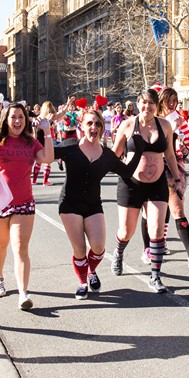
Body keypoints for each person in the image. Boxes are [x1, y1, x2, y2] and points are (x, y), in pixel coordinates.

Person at [55, 108, 142, 299]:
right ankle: (82, 282)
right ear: (81, 126)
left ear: (102, 128)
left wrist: (139, 150)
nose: (93, 127)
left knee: (98, 247)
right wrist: (43, 131)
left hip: (93, 204)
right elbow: (44, 155)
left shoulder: (107, 155)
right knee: (79, 249)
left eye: (98, 124)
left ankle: (91, 271)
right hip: (69, 204)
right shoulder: (70, 146)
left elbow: (127, 172)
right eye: (89, 123)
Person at [0, 102, 55, 309]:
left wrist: (47, 132)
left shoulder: (30, 142)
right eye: (13, 117)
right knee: (1, 243)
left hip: (24, 202)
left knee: (21, 247)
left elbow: (47, 158)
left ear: (26, 120)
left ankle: (23, 293)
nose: (17, 121)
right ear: (6, 119)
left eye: (21, 117)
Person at [110, 88, 181, 293]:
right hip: (131, 184)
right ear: (137, 103)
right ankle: (118, 252)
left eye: (151, 103)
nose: (147, 106)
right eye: (143, 102)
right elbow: (115, 154)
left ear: (156, 105)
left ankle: (155, 276)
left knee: (157, 230)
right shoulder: (127, 125)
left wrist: (177, 179)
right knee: (126, 231)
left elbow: (170, 154)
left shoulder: (165, 125)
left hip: (157, 184)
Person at [144, 87, 189, 268]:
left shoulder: (179, 119)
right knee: (152, 211)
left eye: (175, 100)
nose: (172, 104)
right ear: (160, 102)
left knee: (177, 208)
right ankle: (149, 248)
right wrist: (173, 129)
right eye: (168, 101)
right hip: (154, 166)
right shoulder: (153, 120)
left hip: (174, 168)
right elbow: (154, 143)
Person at [31, 101, 57, 185]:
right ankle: (45, 181)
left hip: (39, 139)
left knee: (38, 161)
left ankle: (34, 180)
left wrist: (34, 136)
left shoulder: (38, 117)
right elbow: (53, 126)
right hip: (46, 139)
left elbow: (33, 127)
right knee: (48, 162)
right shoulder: (49, 118)